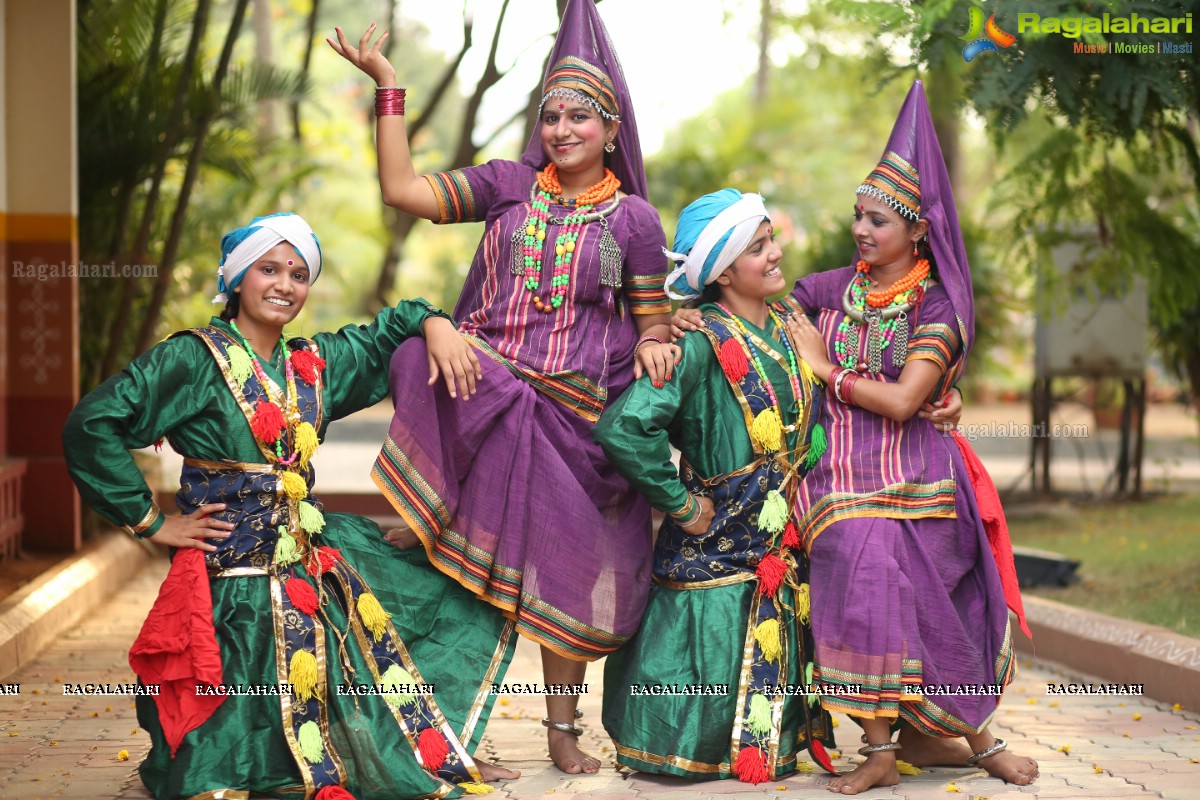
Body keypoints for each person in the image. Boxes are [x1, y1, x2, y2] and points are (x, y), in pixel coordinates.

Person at [328, 0, 677, 775]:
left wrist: (656, 346)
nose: (561, 129)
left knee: (569, 570)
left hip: (578, 425)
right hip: (487, 393)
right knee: (417, 352)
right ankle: (433, 513)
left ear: (612, 131)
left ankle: (561, 730)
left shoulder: (634, 223)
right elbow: (402, 191)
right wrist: (388, 88)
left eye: (580, 117)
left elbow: (651, 318)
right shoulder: (508, 184)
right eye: (550, 114)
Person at [63, 213, 518, 799]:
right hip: (233, 584)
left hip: (311, 561)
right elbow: (91, 424)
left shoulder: (315, 365)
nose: (284, 284)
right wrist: (151, 521)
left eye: (299, 274)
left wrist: (434, 324)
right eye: (268, 268)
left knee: (464, 581)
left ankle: (437, 744)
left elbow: (392, 329)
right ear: (234, 279)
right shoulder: (191, 359)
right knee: (219, 763)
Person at [781, 82, 1037, 794]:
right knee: (863, 552)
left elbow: (902, 403)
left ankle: (977, 740)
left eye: (881, 221)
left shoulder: (939, 306)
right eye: (858, 216)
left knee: (917, 573)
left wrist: (827, 371)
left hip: (920, 472)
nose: (863, 230)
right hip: (837, 477)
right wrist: (679, 321)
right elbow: (760, 317)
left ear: (919, 229)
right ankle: (880, 749)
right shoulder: (827, 289)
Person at [594, 189, 840, 783]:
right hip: (712, 554)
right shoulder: (698, 343)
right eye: (758, 248)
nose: (777, 254)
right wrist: (681, 505)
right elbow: (625, 427)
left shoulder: (792, 327)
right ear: (724, 272)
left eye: (771, 238)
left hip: (781, 549)